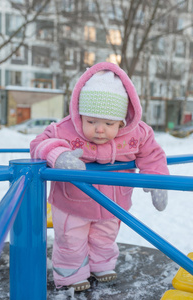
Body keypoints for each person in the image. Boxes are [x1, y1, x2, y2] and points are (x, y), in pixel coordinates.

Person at [30, 62, 169, 291]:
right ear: (80, 115)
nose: (99, 129)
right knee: (70, 241)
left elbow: (152, 154)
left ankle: (101, 265)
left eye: (108, 123)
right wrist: (58, 155)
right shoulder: (65, 129)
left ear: (122, 120)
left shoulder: (138, 134)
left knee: (105, 237)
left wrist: (158, 181)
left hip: (113, 203)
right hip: (72, 202)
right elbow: (38, 144)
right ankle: (71, 274)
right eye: (91, 121)